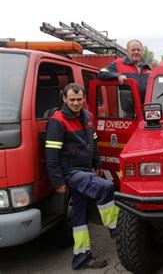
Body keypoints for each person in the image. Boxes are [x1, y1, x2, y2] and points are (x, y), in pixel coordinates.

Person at [45, 83, 119, 270]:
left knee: (80, 215)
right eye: (72, 100)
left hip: (85, 169)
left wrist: (97, 164)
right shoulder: (58, 120)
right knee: (105, 187)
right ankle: (116, 229)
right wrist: (58, 181)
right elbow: (51, 154)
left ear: (83, 98)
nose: (76, 103)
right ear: (64, 99)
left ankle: (81, 257)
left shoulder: (87, 116)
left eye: (79, 99)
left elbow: (93, 141)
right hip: (70, 172)